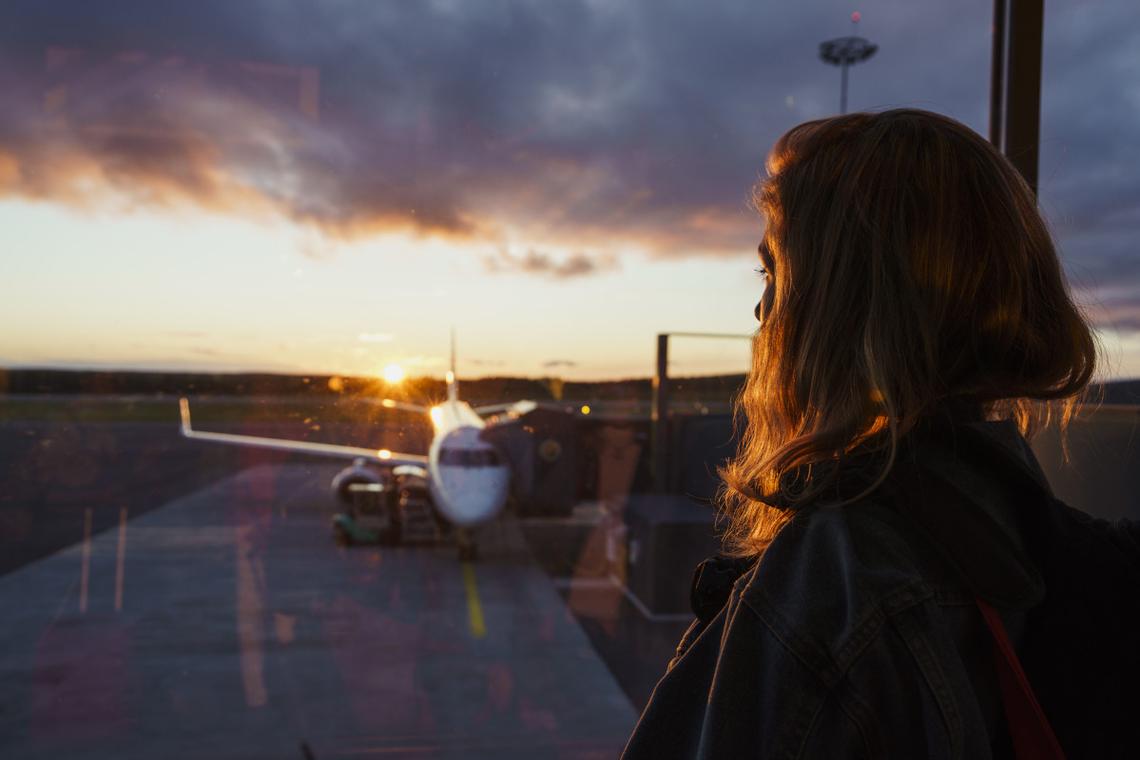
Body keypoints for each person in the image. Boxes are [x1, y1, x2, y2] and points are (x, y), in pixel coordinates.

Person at [620, 109, 1129, 758]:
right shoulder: (1046, 544)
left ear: (839, 309)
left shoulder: (834, 593)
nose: (759, 311)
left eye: (773, 273)